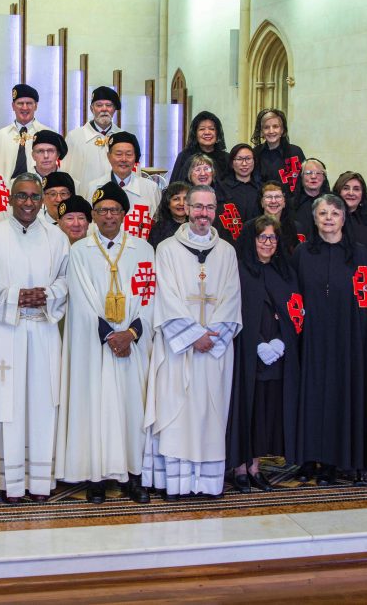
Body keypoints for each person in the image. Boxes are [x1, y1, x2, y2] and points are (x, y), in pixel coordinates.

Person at [56, 180, 155, 504]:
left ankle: (134, 475)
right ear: (93, 216)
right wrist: (110, 335)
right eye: (101, 211)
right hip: (96, 345)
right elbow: (81, 299)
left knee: (132, 408)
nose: (108, 216)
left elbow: (150, 295)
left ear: (124, 213)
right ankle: (95, 477)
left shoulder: (143, 248)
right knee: (95, 407)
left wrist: (133, 333)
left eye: (114, 210)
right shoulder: (80, 250)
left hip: (133, 345)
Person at [142, 185, 242, 501]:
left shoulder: (227, 251)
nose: (203, 214)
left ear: (216, 210)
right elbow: (166, 296)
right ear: (185, 208)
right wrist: (192, 336)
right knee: (176, 411)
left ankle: (207, 482)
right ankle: (177, 483)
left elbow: (232, 297)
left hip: (215, 350)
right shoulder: (167, 249)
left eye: (209, 207)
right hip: (178, 351)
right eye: (197, 207)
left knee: (210, 415)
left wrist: (210, 337)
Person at [0, 174, 70, 501]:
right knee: (8, 404)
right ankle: (9, 480)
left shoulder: (56, 238)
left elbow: (65, 279)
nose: (28, 203)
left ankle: (41, 479)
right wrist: (17, 296)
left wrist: (45, 295)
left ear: (43, 199)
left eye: (34, 196)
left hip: (44, 329)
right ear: (10, 198)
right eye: (21, 196)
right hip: (6, 332)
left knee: (44, 401)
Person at [293, 193, 367, 486]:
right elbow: (294, 297)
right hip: (312, 338)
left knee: (339, 398)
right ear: (315, 218)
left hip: (347, 338)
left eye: (334, 213)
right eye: (323, 213)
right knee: (311, 397)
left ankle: (333, 460)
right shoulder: (302, 253)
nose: (329, 218)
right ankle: (308, 458)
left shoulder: (359, 254)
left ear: (344, 218)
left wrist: (363, 338)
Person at [228, 217, 303, 493]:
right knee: (245, 407)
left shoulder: (285, 272)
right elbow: (235, 311)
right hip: (247, 355)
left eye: (272, 238)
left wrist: (282, 342)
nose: (268, 243)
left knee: (264, 412)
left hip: (277, 355)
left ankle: (255, 467)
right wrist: (257, 343)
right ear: (252, 240)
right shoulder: (239, 271)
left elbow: (295, 308)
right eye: (262, 238)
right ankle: (238, 468)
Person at [84, 131, 161, 241]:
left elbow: (158, 225)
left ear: (135, 158)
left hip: (140, 252)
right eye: (118, 154)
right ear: (109, 156)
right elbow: (89, 225)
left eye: (129, 154)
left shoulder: (151, 188)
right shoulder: (94, 187)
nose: (124, 159)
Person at [0, 84, 52, 179]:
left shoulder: (49, 134)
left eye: (29, 103)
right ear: (13, 106)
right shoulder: (0, 135)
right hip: (8, 191)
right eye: (20, 103)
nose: (25, 108)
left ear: (36, 106)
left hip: (39, 190)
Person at [63, 86, 122, 184]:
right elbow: (66, 172)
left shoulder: (123, 137)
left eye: (108, 105)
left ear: (114, 109)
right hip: (84, 196)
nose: (104, 109)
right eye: (99, 105)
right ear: (92, 109)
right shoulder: (75, 137)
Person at [214, 143, 262, 244]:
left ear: (254, 161)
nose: (244, 164)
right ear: (232, 163)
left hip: (256, 244)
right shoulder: (221, 188)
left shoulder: (261, 189)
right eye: (239, 159)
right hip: (227, 242)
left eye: (248, 159)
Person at [251, 108, 305, 195]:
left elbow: (303, 181)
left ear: (282, 130)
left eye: (275, 126)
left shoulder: (295, 152)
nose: (271, 131)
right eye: (266, 127)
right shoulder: (255, 153)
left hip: (292, 205)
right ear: (261, 132)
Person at [168, 111, 229, 184]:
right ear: (195, 134)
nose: (207, 132)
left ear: (217, 133)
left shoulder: (226, 158)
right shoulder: (185, 156)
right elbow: (175, 187)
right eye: (202, 129)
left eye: (211, 129)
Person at [334, 171, 367, 248]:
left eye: (356, 189)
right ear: (338, 191)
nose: (351, 193)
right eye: (346, 188)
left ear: (362, 194)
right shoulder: (328, 220)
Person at [256, 181, 300, 255]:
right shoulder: (250, 227)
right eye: (269, 197)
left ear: (284, 203)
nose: (273, 201)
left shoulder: (294, 228)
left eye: (278, 197)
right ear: (262, 203)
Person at [292, 158, 329, 239]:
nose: (313, 176)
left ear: (324, 177)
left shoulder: (332, 203)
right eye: (308, 173)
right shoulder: (291, 205)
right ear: (301, 177)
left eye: (318, 173)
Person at [147, 181, 190, 248]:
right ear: (168, 204)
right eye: (176, 199)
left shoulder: (196, 226)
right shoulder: (158, 229)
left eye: (186, 199)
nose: (181, 203)